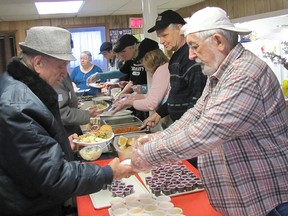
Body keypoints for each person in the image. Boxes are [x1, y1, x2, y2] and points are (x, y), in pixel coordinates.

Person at [130, 7, 288, 216]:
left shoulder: (245, 74)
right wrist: (159, 137)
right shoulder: (222, 71)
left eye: (194, 46)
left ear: (218, 41)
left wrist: (146, 155)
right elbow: (197, 113)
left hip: (267, 201)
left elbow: (206, 131)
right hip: (247, 198)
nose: (191, 55)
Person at [0, 26, 132, 216]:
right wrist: (108, 173)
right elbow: (54, 177)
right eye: (61, 66)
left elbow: (31, 153)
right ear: (38, 63)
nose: (65, 73)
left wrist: (61, 146)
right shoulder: (18, 106)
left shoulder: (19, 87)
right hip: (28, 206)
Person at [143, 9, 207, 167]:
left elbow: (198, 97)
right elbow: (177, 93)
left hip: (190, 132)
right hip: (180, 126)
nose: (162, 41)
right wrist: (160, 112)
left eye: (165, 35)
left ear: (180, 29)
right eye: (160, 37)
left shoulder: (191, 57)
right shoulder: (175, 58)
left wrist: (180, 131)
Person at [112, 38, 170, 115]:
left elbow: (151, 104)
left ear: (150, 58)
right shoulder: (161, 69)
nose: (142, 64)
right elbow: (150, 96)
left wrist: (129, 102)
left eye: (142, 61)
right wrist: (130, 97)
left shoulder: (162, 70)